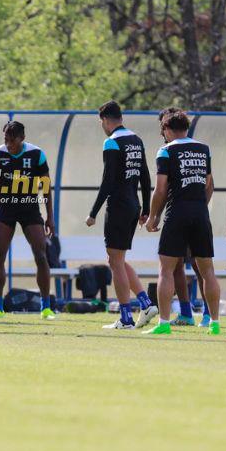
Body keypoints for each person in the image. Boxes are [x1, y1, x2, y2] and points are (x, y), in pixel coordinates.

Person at [145, 108, 222, 335]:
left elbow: (160, 190)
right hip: (200, 213)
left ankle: (164, 324)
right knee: (208, 271)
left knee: (166, 270)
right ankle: (215, 323)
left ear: (167, 129)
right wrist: (200, 206)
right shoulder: (203, 148)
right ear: (187, 128)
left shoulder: (165, 151)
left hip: (177, 212)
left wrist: (153, 217)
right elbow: (209, 183)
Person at [85, 101, 158, 330]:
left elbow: (108, 181)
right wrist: (145, 209)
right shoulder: (136, 140)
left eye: (101, 123)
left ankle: (126, 318)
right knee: (117, 260)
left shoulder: (112, 142)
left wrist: (93, 212)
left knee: (115, 262)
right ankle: (146, 303)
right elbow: (145, 178)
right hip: (133, 205)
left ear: (105, 120)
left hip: (117, 206)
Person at [0, 120, 56, 321]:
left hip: (29, 208)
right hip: (6, 208)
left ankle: (46, 308)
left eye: (12, 141)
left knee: (41, 254)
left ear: (22, 138)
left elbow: (46, 188)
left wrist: (50, 217)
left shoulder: (36, 154)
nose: (9, 145)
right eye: (6, 140)